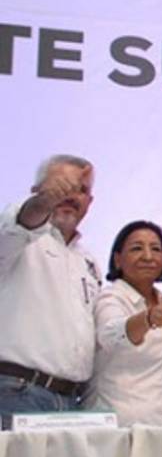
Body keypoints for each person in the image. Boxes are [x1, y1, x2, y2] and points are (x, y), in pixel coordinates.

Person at [0, 155, 100, 423]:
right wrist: (45, 201)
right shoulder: (15, 235)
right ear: (35, 190)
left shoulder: (88, 262)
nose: (70, 194)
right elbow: (22, 222)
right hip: (17, 392)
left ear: (90, 202)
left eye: (81, 190)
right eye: (62, 185)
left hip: (71, 402)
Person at [88, 221, 162, 426]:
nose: (148, 256)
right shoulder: (111, 297)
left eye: (156, 249)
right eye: (137, 248)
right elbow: (110, 335)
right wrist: (148, 318)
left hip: (160, 427)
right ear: (118, 259)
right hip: (115, 427)